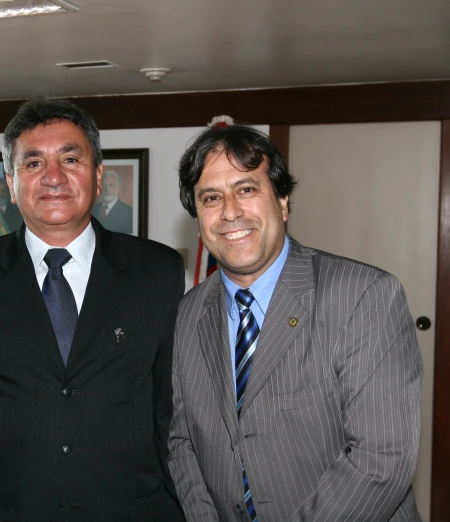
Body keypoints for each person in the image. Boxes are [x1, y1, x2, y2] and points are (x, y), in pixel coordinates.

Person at [0, 96, 186, 521]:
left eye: (70, 158)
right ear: (12, 183)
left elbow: (169, 408)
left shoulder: (157, 270)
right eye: (34, 163)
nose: (53, 177)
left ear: (97, 175)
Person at [168, 124, 422, 521]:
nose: (230, 211)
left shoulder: (364, 295)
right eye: (211, 197)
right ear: (198, 216)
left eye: (247, 189)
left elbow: (381, 460)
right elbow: (184, 442)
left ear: (283, 201)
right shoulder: (190, 312)